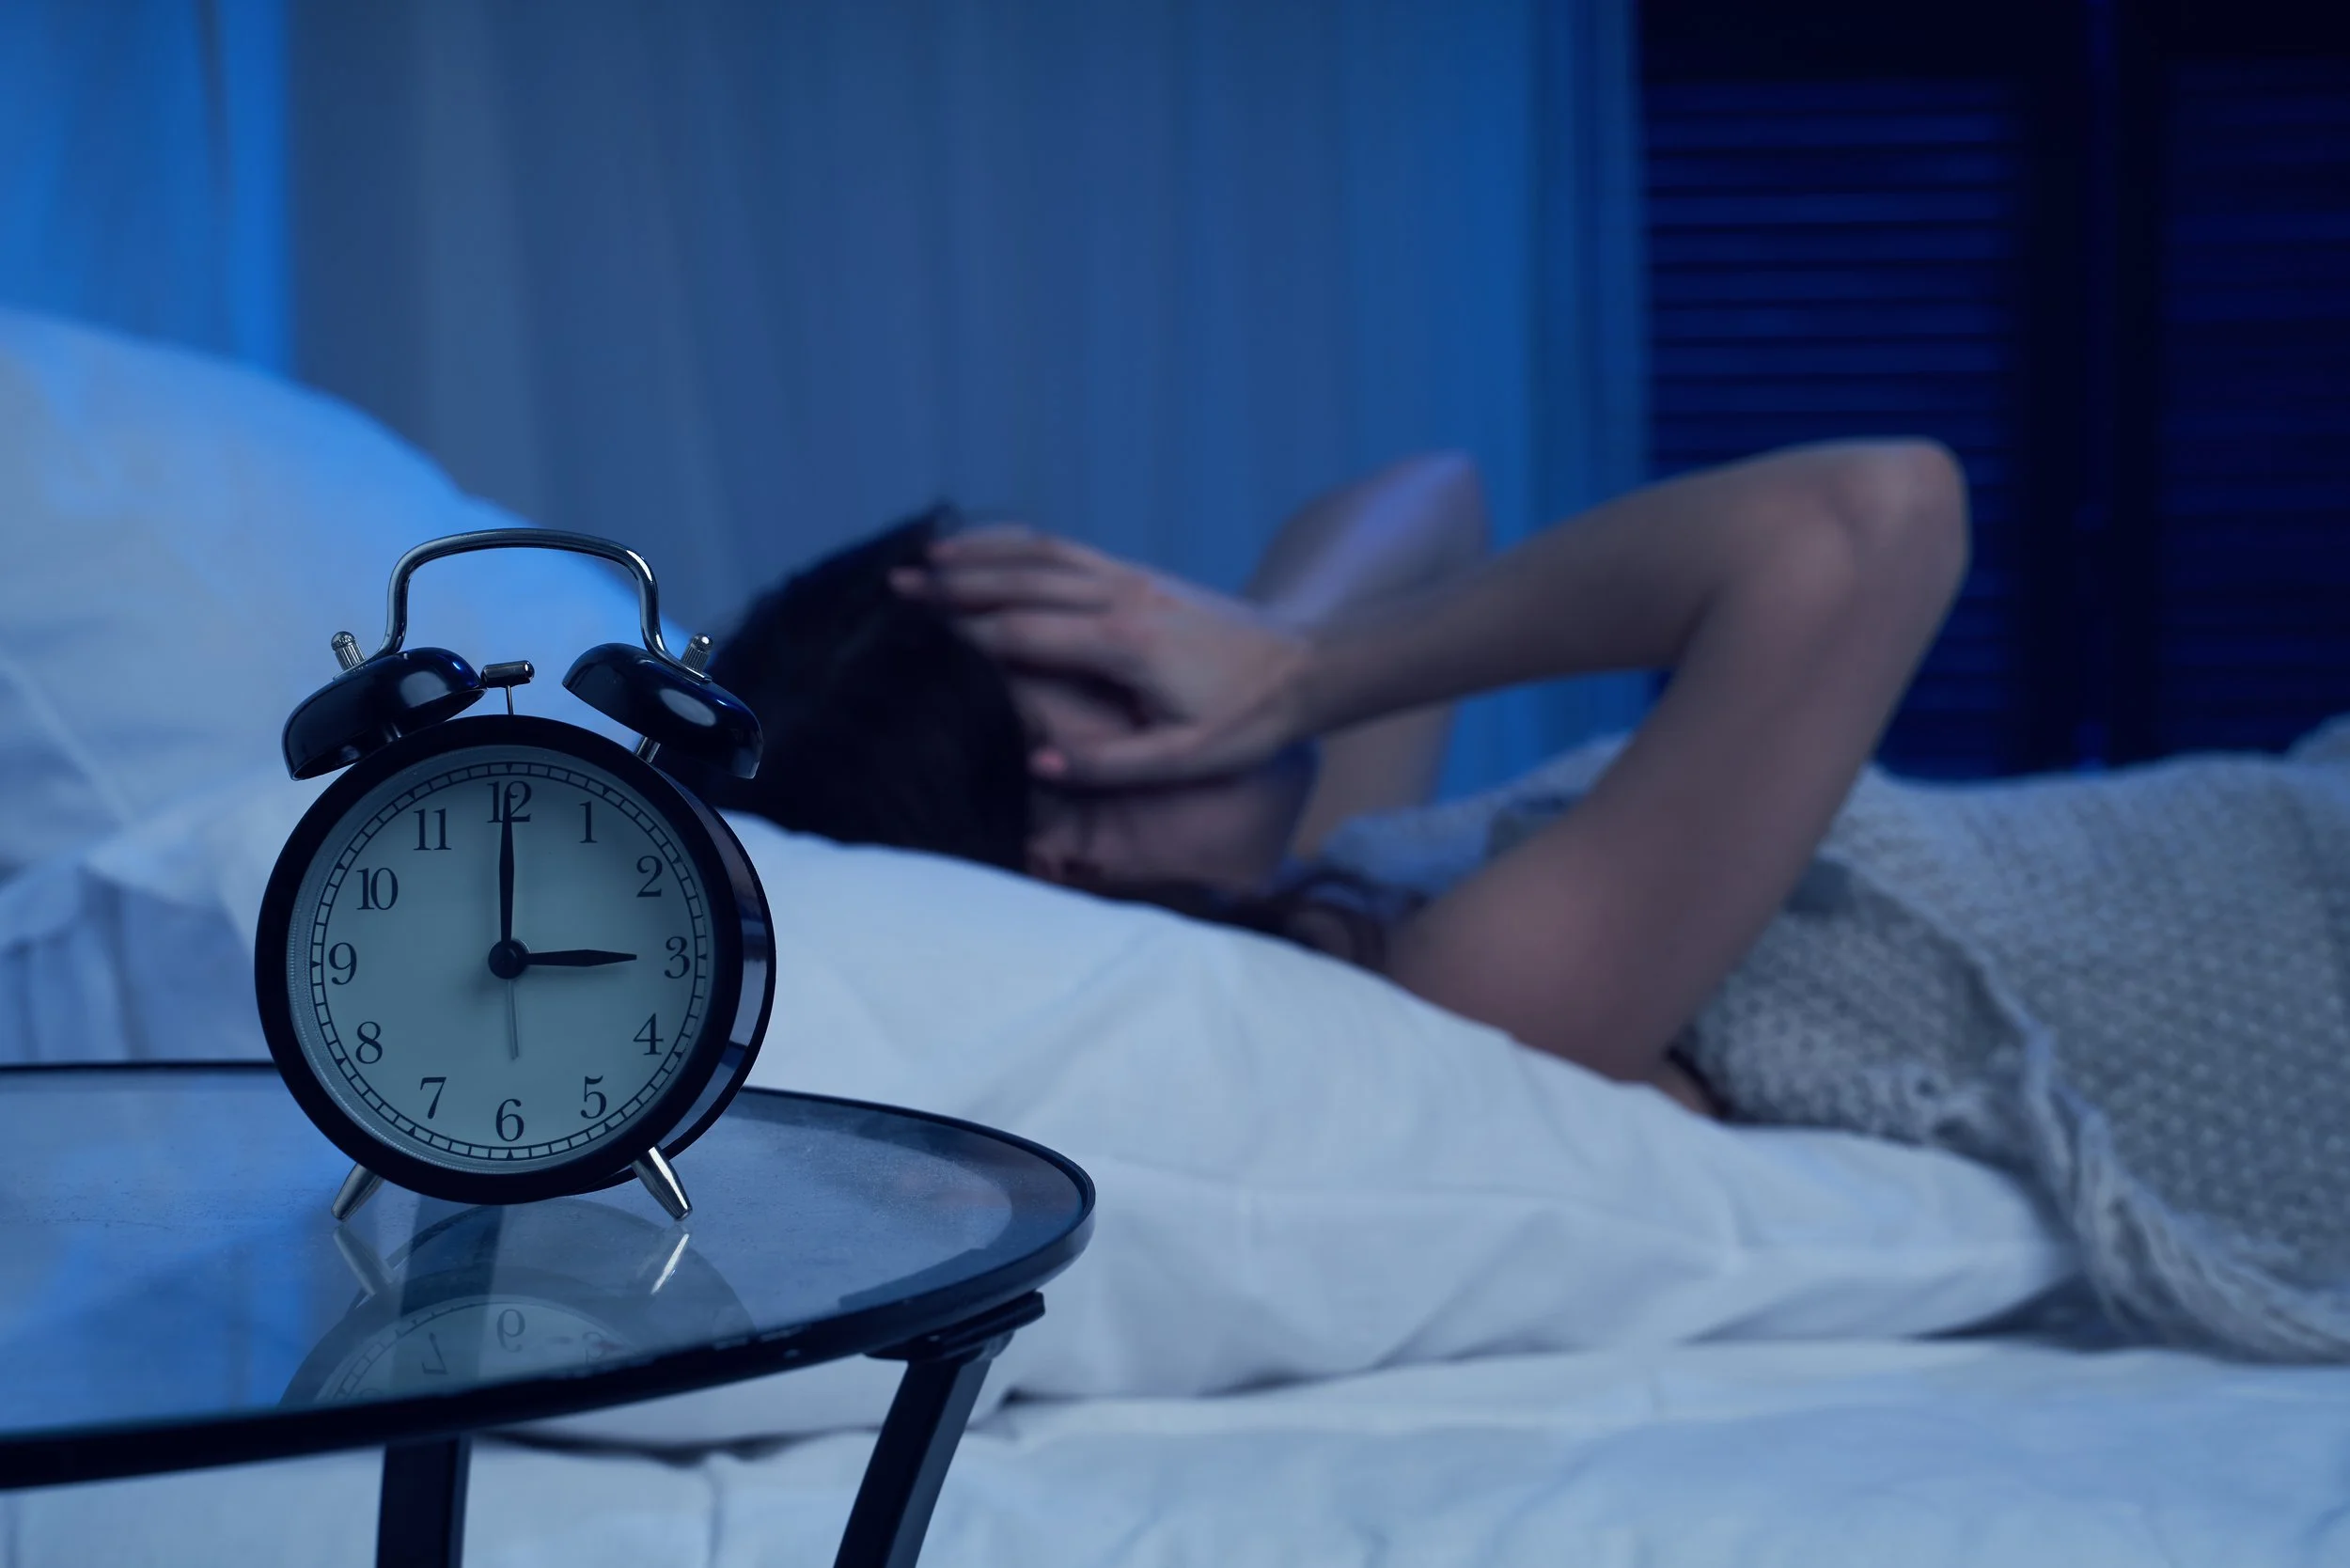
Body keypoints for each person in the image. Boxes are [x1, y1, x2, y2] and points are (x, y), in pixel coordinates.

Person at [698, 443, 2350, 1360]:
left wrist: (1268, 651)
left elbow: (1424, 499)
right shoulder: (1467, 995)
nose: (1176, 653)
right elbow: (1874, 516)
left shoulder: (1319, 873)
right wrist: (1310, 671)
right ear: (1063, 859)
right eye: (1116, 680)